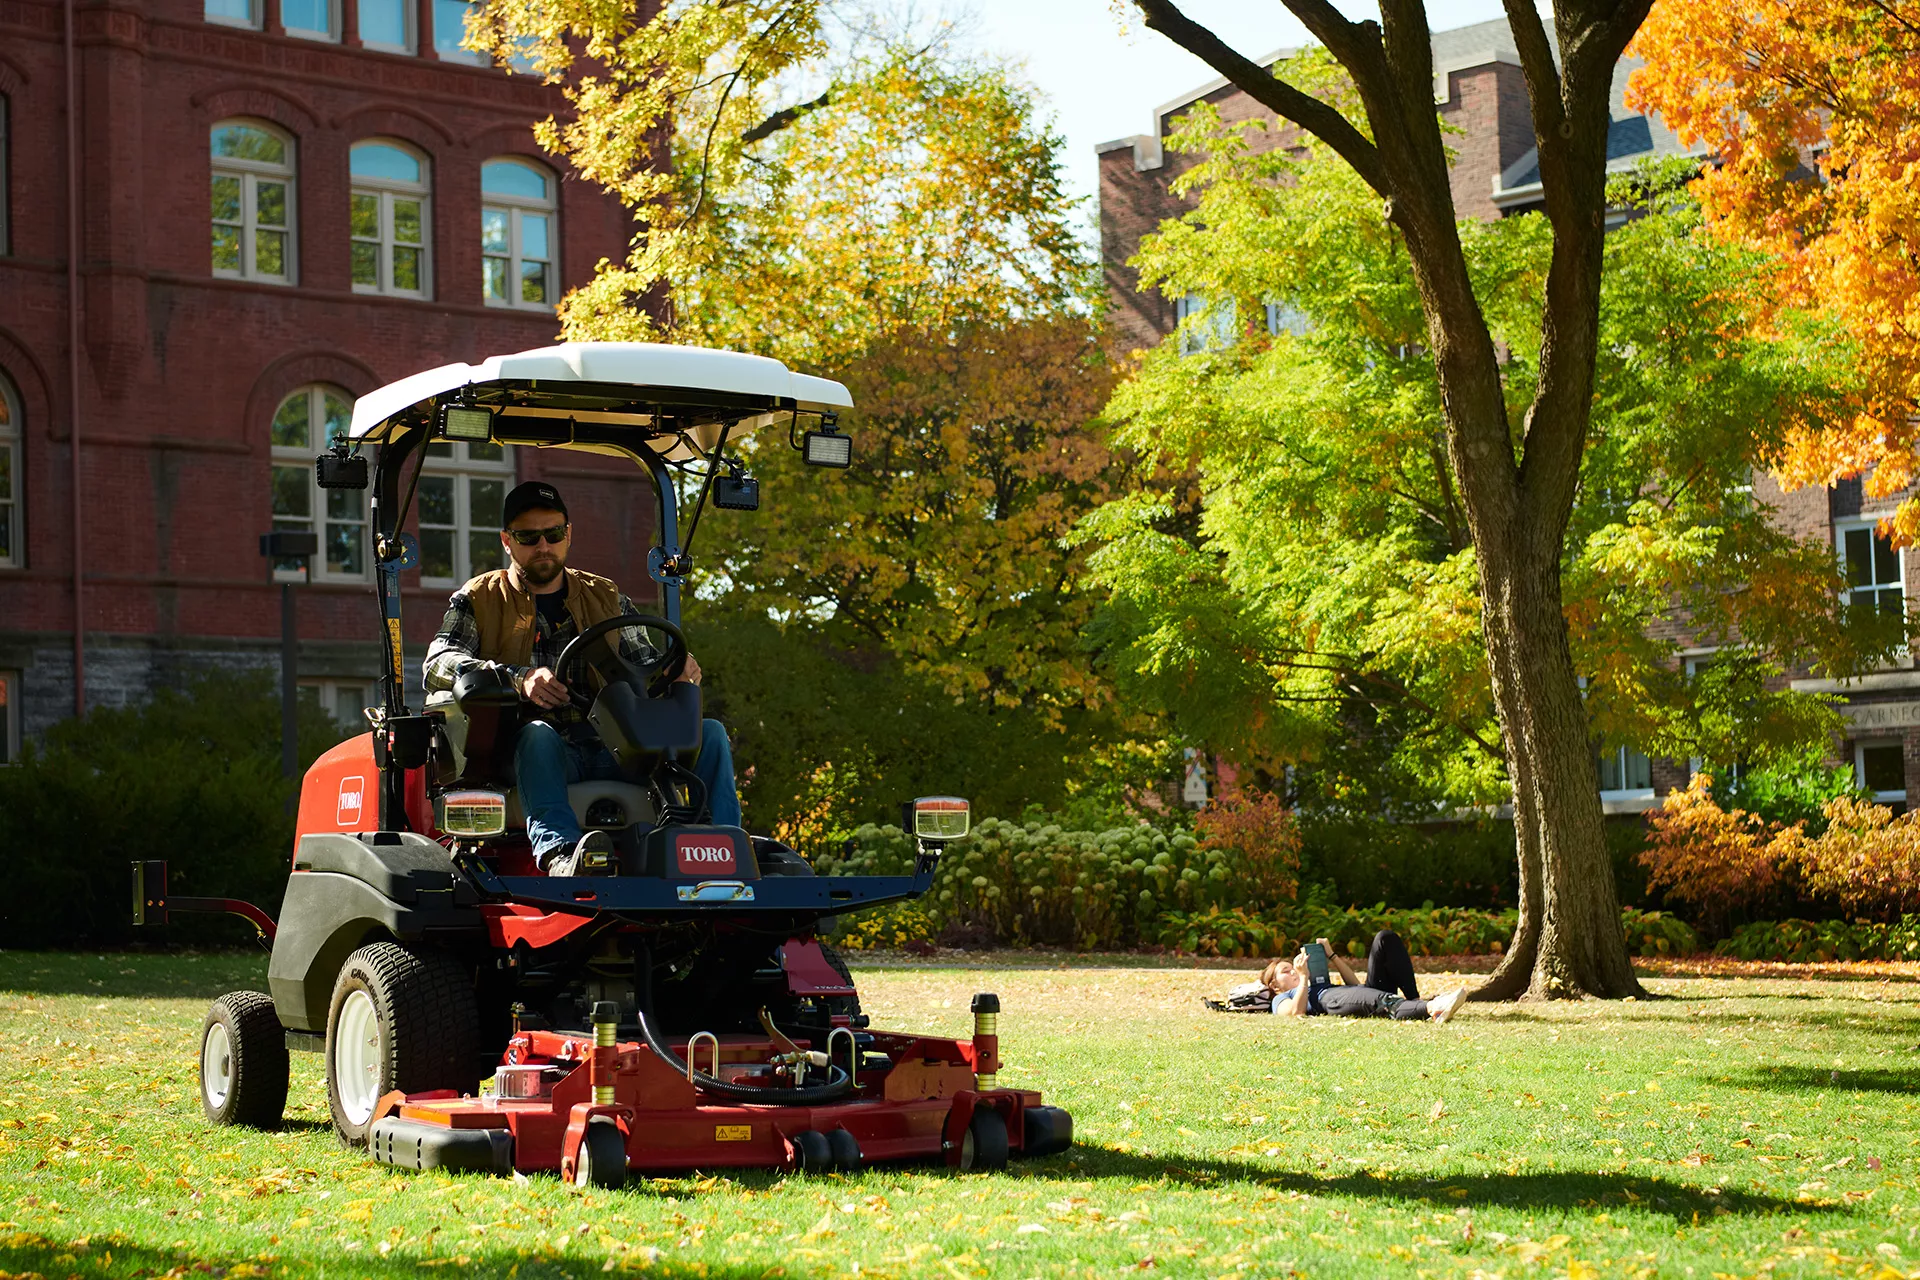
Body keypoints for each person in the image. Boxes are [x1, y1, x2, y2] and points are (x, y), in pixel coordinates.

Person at [423, 480, 741, 876]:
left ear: (568, 534)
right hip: (534, 753)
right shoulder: (480, 598)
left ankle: (723, 848)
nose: (543, 545)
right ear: (507, 541)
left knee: (708, 732)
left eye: (554, 533)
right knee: (539, 733)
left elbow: (645, 663)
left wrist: (675, 670)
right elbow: (438, 661)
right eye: (528, 536)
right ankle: (560, 852)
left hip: (617, 747)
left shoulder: (605, 597)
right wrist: (517, 679)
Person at [1264, 930, 1467, 1023]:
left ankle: (1413, 1000)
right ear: (1274, 985)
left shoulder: (1313, 981)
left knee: (1385, 939)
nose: (1292, 971)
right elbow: (1295, 1013)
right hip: (1331, 1001)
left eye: (1292, 967)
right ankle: (1433, 1008)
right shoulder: (1282, 998)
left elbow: (1355, 985)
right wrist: (1303, 977)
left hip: (1354, 993)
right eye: (1285, 971)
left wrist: (1332, 955)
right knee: (1381, 1001)